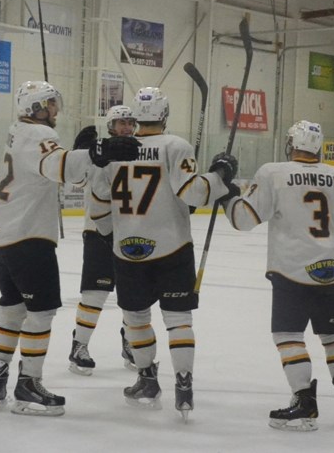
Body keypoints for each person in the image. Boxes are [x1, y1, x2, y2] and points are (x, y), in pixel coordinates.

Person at [0, 80, 141, 416]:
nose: (55, 110)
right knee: (40, 313)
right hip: (27, 238)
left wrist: (83, 155)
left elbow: (59, 166)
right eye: (50, 104)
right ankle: (28, 385)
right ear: (36, 108)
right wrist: (98, 153)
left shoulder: (17, 131)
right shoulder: (39, 135)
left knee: (11, 308)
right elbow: (60, 168)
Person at [88, 86, 238, 421]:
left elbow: (98, 205)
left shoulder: (113, 151)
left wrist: (115, 234)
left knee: (136, 318)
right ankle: (183, 385)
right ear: (164, 114)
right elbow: (196, 194)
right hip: (173, 248)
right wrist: (220, 175)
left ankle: (147, 380)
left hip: (127, 252)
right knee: (178, 319)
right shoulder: (175, 145)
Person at [222, 120, 334, 431]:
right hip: (333, 271)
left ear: (292, 144)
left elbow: (244, 220)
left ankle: (304, 400)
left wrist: (227, 196)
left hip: (292, 271)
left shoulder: (273, 173)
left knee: (288, 335)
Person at [68, 106, 138, 376]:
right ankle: (79, 346)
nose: (126, 127)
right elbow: (76, 179)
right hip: (97, 229)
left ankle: (131, 342)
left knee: (133, 294)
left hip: (130, 230)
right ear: (110, 125)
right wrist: (80, 155)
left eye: (130, 122)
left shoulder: (139, 151)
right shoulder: (98, 152)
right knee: (95, 293)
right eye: (121, 122)